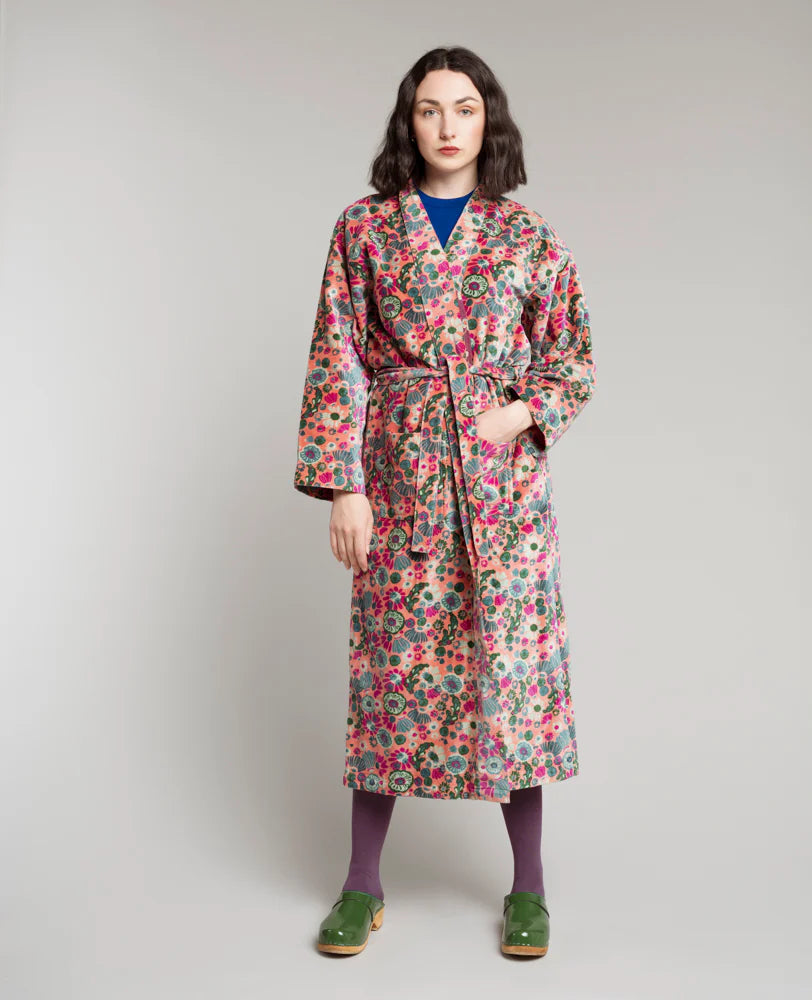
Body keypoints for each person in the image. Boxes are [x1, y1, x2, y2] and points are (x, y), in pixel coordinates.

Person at [293, 45, 597, 958]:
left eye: (465, 108)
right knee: (390, 674)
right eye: (430, 109)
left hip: (503, 494)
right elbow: (337, 357)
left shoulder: (526, 234)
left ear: (487, 119)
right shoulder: (364, 229)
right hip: (399, 479)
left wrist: (521, 413)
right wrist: (345, 485)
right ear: (409, 122)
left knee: (513, 675)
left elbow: (573, 356)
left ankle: (529, 889)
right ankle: (361, 884)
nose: (448, 126)